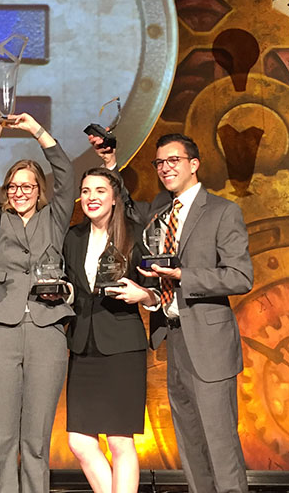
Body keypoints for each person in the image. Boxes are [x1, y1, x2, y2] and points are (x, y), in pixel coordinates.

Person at [91, 132, 253, 493]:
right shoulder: (159, 209)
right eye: (160, 163)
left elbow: (241, 276)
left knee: (220, 443)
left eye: (173, 161)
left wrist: (184, 276)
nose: (165, 169)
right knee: (190, 443)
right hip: (173, 337)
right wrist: (110, 166)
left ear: (194, 165)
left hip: (209, 342)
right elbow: (128, 211)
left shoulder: (222, 212)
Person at [0, 111, 76, 493]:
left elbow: (65, 176)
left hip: (48, 332)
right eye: (13, 187)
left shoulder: (55, 217)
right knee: (1, 439)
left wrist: (36, 130)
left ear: (39, 190)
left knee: (36, 441)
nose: (19, 193)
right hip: (1, 331)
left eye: (28, 186)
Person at [63, 167, 157, 493]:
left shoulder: (135, 234)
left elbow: (158, 289)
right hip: (82, 346)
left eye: (100, 191)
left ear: (115, 197)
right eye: (86, 191)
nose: (92, 198)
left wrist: (142, 295)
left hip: (121, 347)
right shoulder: (73, 237)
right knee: (79, 441)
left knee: (119, 440)